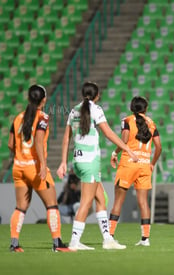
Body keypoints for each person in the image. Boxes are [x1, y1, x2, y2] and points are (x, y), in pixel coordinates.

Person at [56, 81, 139, 251]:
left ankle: (107, 239)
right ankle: (74, 241)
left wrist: (63, 162)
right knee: (86, 203)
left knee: (102, 199)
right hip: (90, 162)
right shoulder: (96, 109)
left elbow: (66, 139)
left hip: (77, 161)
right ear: (97, 95)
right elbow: (108, 133)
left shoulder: (74, 111)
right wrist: (127, 149)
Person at [8, 84, 70, 252]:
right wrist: (42, 164)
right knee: (52, 205)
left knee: (20, 206)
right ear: (44, 100)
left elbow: (10, 144)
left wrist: (20, 157)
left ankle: (14, 244)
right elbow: (39, 140)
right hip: (34, 168)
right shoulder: (42, 117)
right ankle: (57, 243)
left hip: (18, 167)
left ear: (28, 98)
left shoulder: (18, 117)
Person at [108, 96, 162, 247]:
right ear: (146, 108)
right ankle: (145, 239)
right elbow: (159, 147)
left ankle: (110, 236)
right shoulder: (152, 124)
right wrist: (152, 163)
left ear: (132, 108)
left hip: (128, 163)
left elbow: (124, 141)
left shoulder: (127, 121)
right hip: (144, 165)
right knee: (143, 202)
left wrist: (115, 153)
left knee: (118, 200)